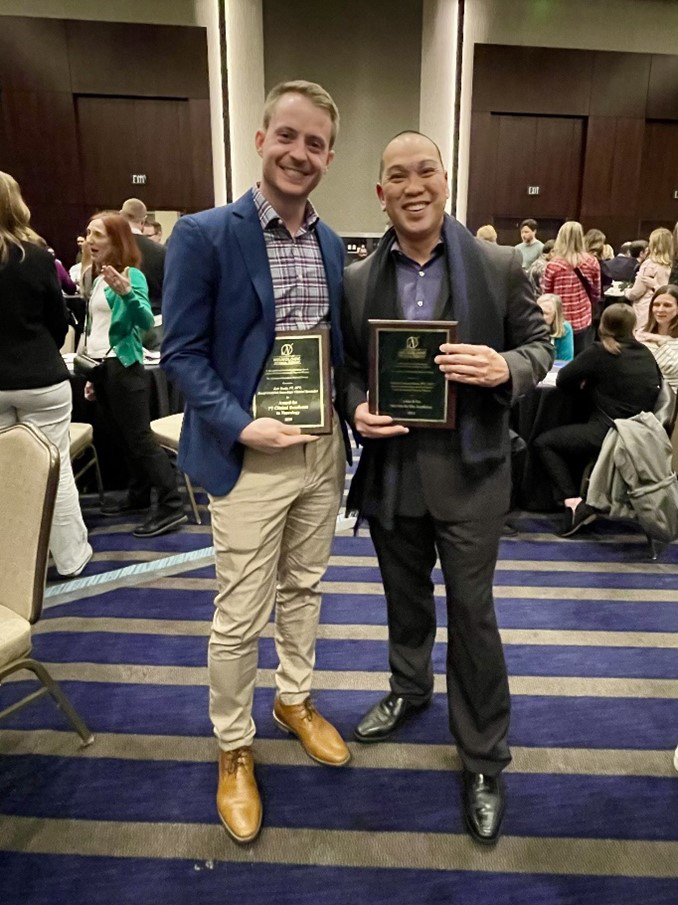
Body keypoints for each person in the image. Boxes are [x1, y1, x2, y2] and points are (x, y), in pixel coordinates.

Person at [337, 131, 553, 845]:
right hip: (393, 472)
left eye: (424, 170)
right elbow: (346, 367)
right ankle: (408, 687)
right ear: (381, 193)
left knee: (474, 614)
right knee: (403, 600)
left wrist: (504, 369)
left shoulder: (497, 264)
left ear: (446, 178)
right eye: (396, 175)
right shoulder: (359, 278)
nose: (412, 185)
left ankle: (485, 756)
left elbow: (539, 348)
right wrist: (355, 404)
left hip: (472, 473)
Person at [162, 80, 350, 845]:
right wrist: (244, 426)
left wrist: (352, 411)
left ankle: (293, 698)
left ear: (329, 156)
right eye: (288, 136)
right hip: (250, 456)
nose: (299, 153)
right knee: (239, 614)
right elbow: (183, 352)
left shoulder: (333, 241)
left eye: (315, 143)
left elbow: (335, 345)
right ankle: (233, 746)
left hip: (323, 448)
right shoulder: (206, 234)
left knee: (305, 586)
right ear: (261, 137)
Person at [0, 171, 92, 577]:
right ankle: (71, 558)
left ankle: (14, 564)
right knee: (55, 468)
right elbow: (59, 322)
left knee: (7, 473)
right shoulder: (36, 255)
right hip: (41, 377)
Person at [83, 212, 186, 537]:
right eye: (88, 233)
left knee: (140, 439)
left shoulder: (131, 276)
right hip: (102, 368)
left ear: (115, 239)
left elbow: (144, 320)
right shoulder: (100, 277)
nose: (88, 240)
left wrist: (127, 293)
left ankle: (171, 505)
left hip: (125, 368)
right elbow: (97, 328)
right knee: (122, 438)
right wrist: (91, 373)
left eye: (96, 234)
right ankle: (139, 494)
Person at [535, 303, 661, 536]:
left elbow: (563, 380)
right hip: (641, 433)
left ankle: (573, 502)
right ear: (633, 325)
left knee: (545, 442)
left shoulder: (601, 351)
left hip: (610, 431)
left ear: (602, 324)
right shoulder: (645, 353)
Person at [543, 221, 601, 356]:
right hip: (583, 318)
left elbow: (546, 294)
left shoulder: (553, 265)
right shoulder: (591, 261)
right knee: (582, 358)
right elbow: (597, 292)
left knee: (561, 360)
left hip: (559, 322)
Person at [120, 198, 167, 349]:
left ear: (121, 215)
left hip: (122, 321)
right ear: (144, 220)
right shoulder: (161, 251)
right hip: (156, 321)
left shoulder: (113, 248)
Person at [624, 228, 673, 339]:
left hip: (645, 310)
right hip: (667, 311)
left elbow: (636, 293)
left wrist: (626, 292)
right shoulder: (671, 266)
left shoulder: (649, 264)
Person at [637, 284, 678, 391]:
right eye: (656, 304)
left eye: (667, 305)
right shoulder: (641, 333)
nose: (660, 309)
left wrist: (662, 342)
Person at [537, 292, 574, 361]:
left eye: (546, 313)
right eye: (538, 311)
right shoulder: (527, 326)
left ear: (555, 317)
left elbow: (565, 362)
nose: (540, 316)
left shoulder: (565, 329)